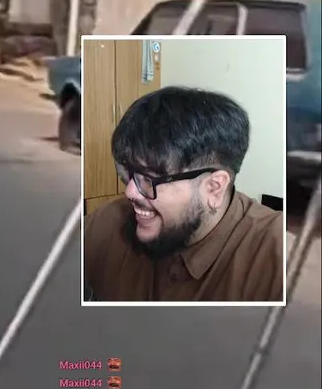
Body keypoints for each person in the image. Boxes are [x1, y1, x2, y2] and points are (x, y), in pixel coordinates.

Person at [83, 86, 285, 302]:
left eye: (150, 178)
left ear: (214, 188)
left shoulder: (277, 261)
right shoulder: (108, 221)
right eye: (130, 172)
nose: (130, 192)